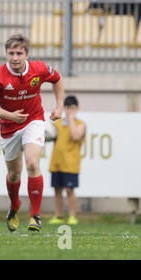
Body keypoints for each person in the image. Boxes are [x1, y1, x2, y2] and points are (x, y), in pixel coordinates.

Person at [0, 33, 64, 232]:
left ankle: (35, 215)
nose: (15, 57)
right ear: (6, 54)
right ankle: (15, 206)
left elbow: (57, 79)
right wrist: (9, 115)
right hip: (9, 127)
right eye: (11, 53)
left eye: (19, 53)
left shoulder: (39, 69)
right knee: (13, 174)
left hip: (33, 121)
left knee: (33, 163)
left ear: (27, 54)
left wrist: (59, 106)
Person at [48, 96, 86, 225]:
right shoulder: (58, 123)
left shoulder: (80, 124)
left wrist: (70, 119)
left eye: (73, 108)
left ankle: (72, 216)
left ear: (77, 108)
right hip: (57, 161)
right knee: (57, 190)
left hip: (71, 163)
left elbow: (76, 136)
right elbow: (50, 135)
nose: (70, 110)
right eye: (68, 107)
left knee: (70, 190)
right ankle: (58, 216)